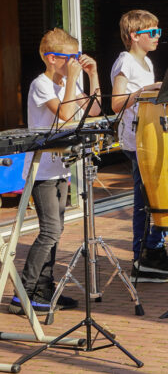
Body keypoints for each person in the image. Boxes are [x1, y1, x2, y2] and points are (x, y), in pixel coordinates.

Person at [12, 29, 101, 315]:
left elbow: (96, 109)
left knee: (57, 230)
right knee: (50, 231)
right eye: (70, 58)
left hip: (59, 167)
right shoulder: (41, 84)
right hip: (41, 170)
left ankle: (44, 288)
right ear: (52, 59)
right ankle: (24, 293)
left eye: (77, 57)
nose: (74, 62)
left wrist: (92, 74)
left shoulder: (66, 83)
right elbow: (63, 114)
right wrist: (73, 79)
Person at [110, 10, 168, 283]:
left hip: (151, 137)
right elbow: (116, 103)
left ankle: (155, 248)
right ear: (134, 36)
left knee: (159, 195)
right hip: (135, 140)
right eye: (152, 32)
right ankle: (141, 257)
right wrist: (145, 91)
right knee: (144, 200)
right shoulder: (125, 61)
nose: (158, 37)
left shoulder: (148, 62)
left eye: (159, 31)